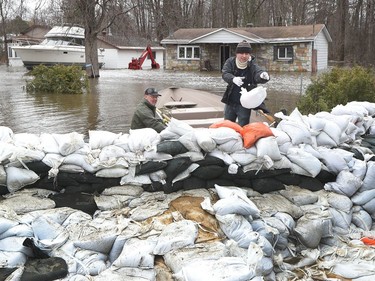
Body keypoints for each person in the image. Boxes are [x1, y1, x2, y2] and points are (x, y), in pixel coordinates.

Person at [221, 40, 270, 126]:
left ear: (249, 54)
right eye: (241, 53)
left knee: (243, 126)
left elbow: (257, 73)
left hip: (244, 104)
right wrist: (233, 79)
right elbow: (225, 73)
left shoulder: (252, 65)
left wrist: (263, 76)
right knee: (227, 125)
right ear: (237, 53)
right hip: (230, 100)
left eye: (247, 53)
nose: (244, 56)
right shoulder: (230, 62)